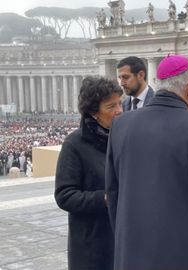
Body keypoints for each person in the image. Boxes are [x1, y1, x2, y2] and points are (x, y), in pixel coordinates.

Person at [105, 54, 188, 270]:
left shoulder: (121, 125)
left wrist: (124, 242)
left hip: (129, 255)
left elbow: (113, 194)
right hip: (181, 257)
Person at [54, 77, 123, 270]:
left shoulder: (123, 138)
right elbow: (64, 195)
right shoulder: (74, 144)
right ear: (94, 112)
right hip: (92, 245)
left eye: (120, 103)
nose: (119, 111)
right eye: (111, 107)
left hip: (122, 238)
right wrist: (106, 198)